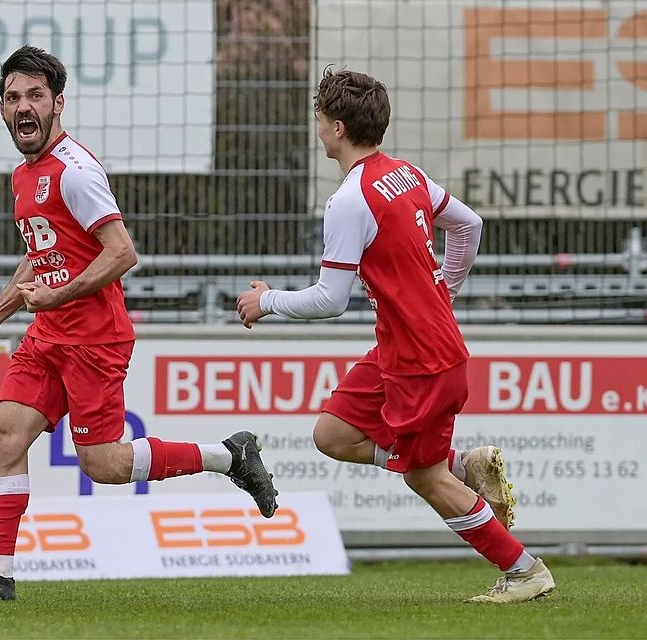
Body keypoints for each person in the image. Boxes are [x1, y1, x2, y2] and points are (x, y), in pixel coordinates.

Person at [0, 46, 279, 602]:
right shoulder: (24, 175)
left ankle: (227, 455)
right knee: (5, 435)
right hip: (48, 335)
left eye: (35, 95)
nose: (24, 106)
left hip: (94, 338)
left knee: (105, 465)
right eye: (13, 97)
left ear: (58, 104)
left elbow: (121, 252)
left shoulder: (75, 171)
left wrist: (58, 294)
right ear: (2, 109)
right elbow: (44, 253)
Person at [235, 68, 555, 603]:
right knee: (332, 434)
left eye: (320, 119)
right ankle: (463, 465)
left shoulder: (349, 200)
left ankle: (523, 571)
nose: (318, 129)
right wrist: (445, 289)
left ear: (337, 128)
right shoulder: (406, 173)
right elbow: (469, 225)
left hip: (420, 361)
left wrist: (266, 301)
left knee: (424, 478)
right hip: (402, 347)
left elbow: (330, 299)